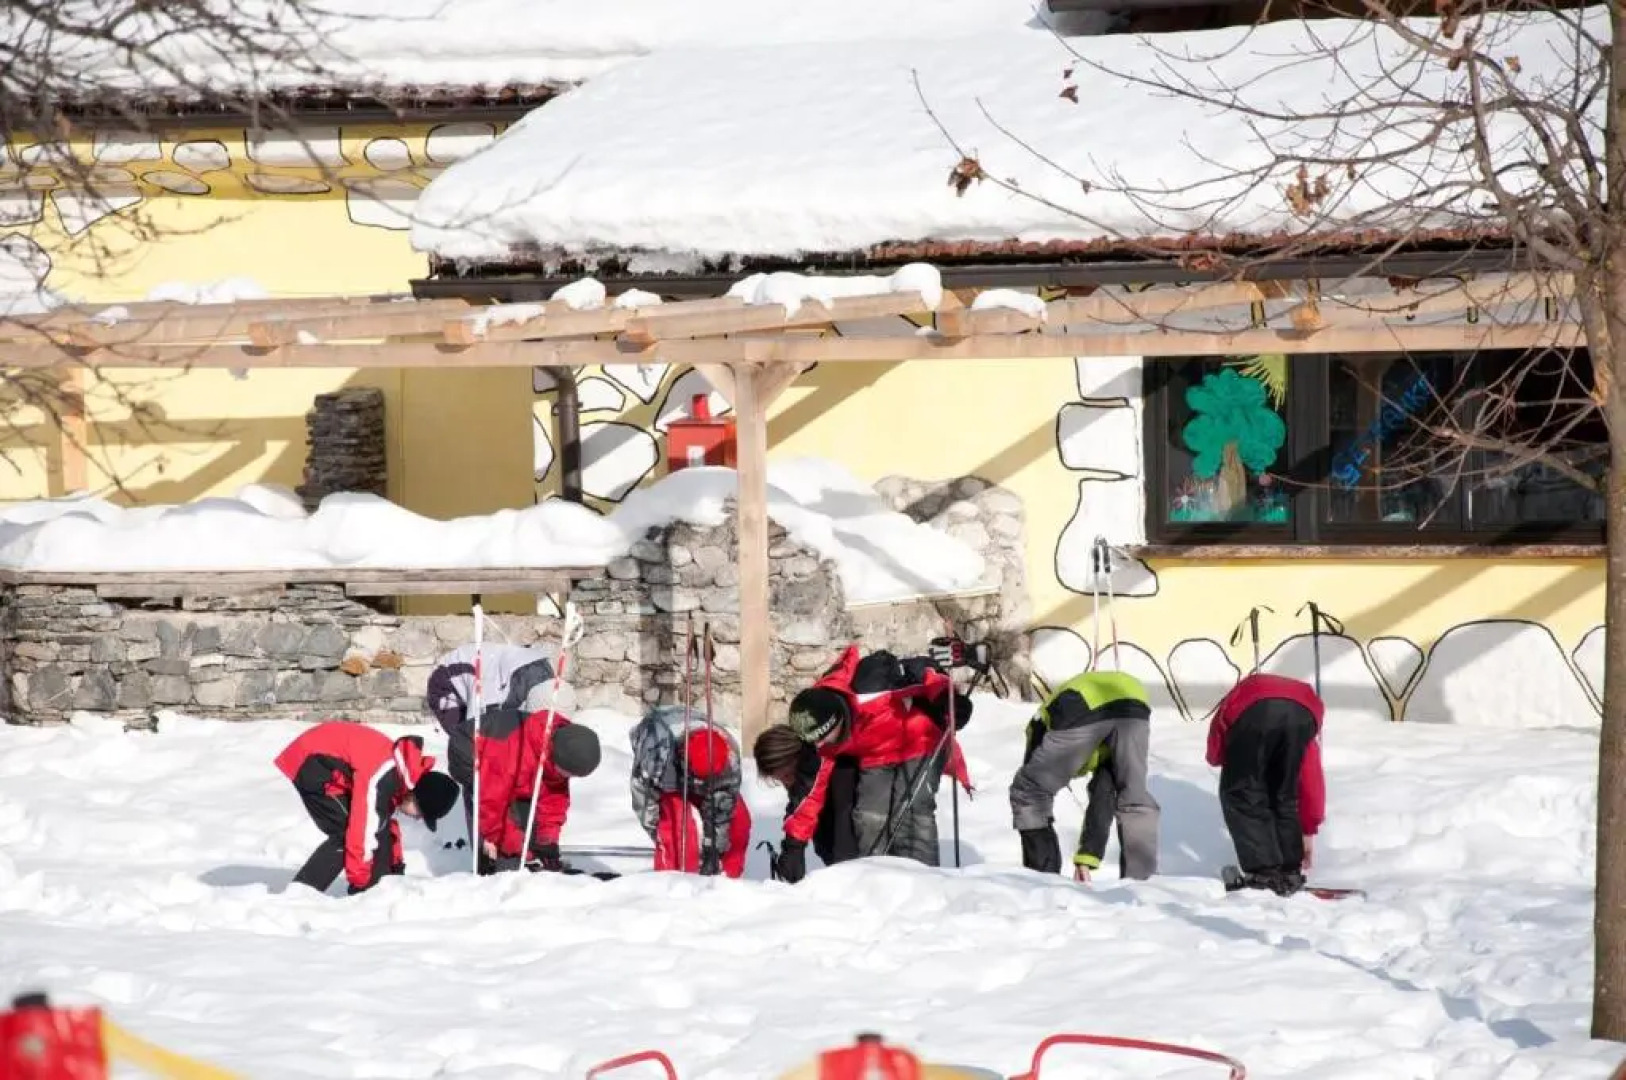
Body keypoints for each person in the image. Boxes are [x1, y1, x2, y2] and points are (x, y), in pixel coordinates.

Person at [754, 645, 973, 883]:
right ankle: (873, 882)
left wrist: (945, 697)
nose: (823, 744)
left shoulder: (869, 690)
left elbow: (921, 671)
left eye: (827, 737)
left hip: (919, 741)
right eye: (818, 741)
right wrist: (794, 845)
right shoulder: (818, 736)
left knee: (912, 812)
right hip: (875, 755)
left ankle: (924, 881)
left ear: (838, 719)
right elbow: (810, 793)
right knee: (869, 817)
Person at [1009, 668, 1160, 882]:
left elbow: (1033, 786)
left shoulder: (1037, 731)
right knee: (1132, 797)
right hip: (1134, 700)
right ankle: (1141, 885)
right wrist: (1087, 858)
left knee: (1028, 793)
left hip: (1081, 704)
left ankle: (1043, 880)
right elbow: (1104, 794)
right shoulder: (1103, 744)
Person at [274, 720, 459, 895]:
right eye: (421, 814)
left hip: (331, 763)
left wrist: (395, 872)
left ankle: (378, 889)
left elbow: (384, 826)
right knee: (346, 834)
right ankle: (300, 894)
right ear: (415, 797)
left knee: (377, 826)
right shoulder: (384, 778)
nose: (417, 819)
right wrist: (361, 881)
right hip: (312, 761)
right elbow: (362, 828)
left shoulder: (399, 775)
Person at [1207, 670, 1326, 896]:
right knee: (1284, 793)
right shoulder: (1300, 710)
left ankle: (1265, 873)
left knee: (1242, 793)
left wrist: (1225, 759)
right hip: (1306, 712)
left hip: (1255, 710)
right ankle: (1289, 870)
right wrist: (1307, 829)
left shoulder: (1239, 694)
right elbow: (1310, 778)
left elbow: (1216, 744)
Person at [426, 642, 559, 839]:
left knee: (476, 762)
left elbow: (469, 748)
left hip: (511, 678)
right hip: (540, 666)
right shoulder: (463, 668)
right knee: (531, 754)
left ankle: (490, 840)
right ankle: (527, 834)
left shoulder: (441, 684)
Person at [471, 683, 602, 874]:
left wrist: (547, 840)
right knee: (501, 848)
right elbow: (491, 805)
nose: (567, 778)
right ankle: (489, 875)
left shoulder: (556, 751)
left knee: (528, 831)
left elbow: (553, 800)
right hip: (472, 753)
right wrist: (515, 845)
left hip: (510, 772)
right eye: (568, 773)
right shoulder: (513, 754)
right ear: (557, 758)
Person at [628, 704, 752, 877]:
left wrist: (714, 849)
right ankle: (675, 879)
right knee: (677, 826)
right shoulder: (657, 755)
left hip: (707, 775)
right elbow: (644, 800)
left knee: (738, 819)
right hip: (668, 774)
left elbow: (723, 806)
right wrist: (660, 834)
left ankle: (726, 879)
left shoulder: (730, 758)